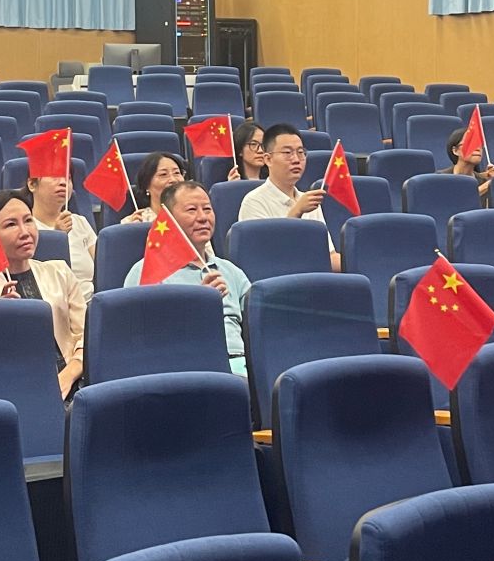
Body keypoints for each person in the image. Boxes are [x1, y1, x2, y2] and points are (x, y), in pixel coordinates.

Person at [0, 189, 90, 396]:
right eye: (11, 225)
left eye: (28, 220)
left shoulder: (60, 272)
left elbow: (87, 337)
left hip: (74, 382)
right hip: (13, 390)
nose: (25, 232)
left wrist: (67, 377)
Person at [122, 179, 252, 375]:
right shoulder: (146, 272)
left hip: (240, 364)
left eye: (207, 209)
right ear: (169, 219)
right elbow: (138, 338)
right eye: (192, 210)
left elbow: (258, 324)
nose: (203, 217)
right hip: (185, 368)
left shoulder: (230, 271)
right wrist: (198, 306)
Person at [237, 124, 341, 270]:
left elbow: (328, 256)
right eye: (287, 152)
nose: (296, 159)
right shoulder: (254, 202)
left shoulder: (309, 201)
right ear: (268, 159)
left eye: (301, 152)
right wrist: (297, 211)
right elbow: (266, 261)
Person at [29, 164, 95, 284]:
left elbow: (103, 268)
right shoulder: (26, 229)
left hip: (91, 294)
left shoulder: (80, 222)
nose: (63, 183)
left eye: (68, 178)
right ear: (32, 184)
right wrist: (57, 238)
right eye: (55, 176)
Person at [122, 151, 189, 224]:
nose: (173, 180)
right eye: (163, 174)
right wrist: (134, 229)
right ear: (146, 183)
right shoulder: (135, 221)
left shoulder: (193, 216)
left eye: (177, 173)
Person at [447, 126, 494, 201]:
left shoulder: (484, 180)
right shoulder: (441, 179)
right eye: (470, 143)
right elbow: (456, 201)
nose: (477, 148)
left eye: (479, 144)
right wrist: (488, 184)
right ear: (455, 151)